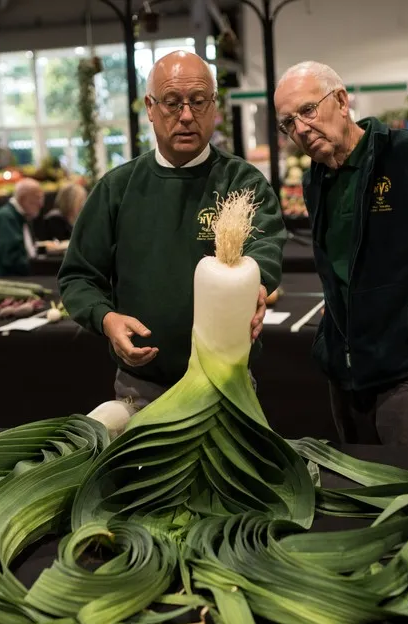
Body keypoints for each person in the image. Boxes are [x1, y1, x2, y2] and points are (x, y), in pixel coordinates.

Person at [274, 61, 408, 449]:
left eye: (308, 111)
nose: (301, 130)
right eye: (288, 123)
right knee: (362, 491)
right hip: (345, 372)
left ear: (341, 101)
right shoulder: (316, 180)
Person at [58, 50, 286, 411]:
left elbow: (267, 247)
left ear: (214, 107)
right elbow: (78, 276)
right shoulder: (117, 188)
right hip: (142, 386)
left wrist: (256, 285)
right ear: (150, 108)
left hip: (227, 384)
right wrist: (107, 318)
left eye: (198, 102)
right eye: (171, 102)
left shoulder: (242, 183)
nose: (185, 116)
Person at [0, 177, 45, 277]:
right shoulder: (6, 217)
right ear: (22, 198)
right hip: (5, 281)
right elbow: (11, 259)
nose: (41, 204)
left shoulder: (21, 215)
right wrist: (39, 267)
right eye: (37, 198)